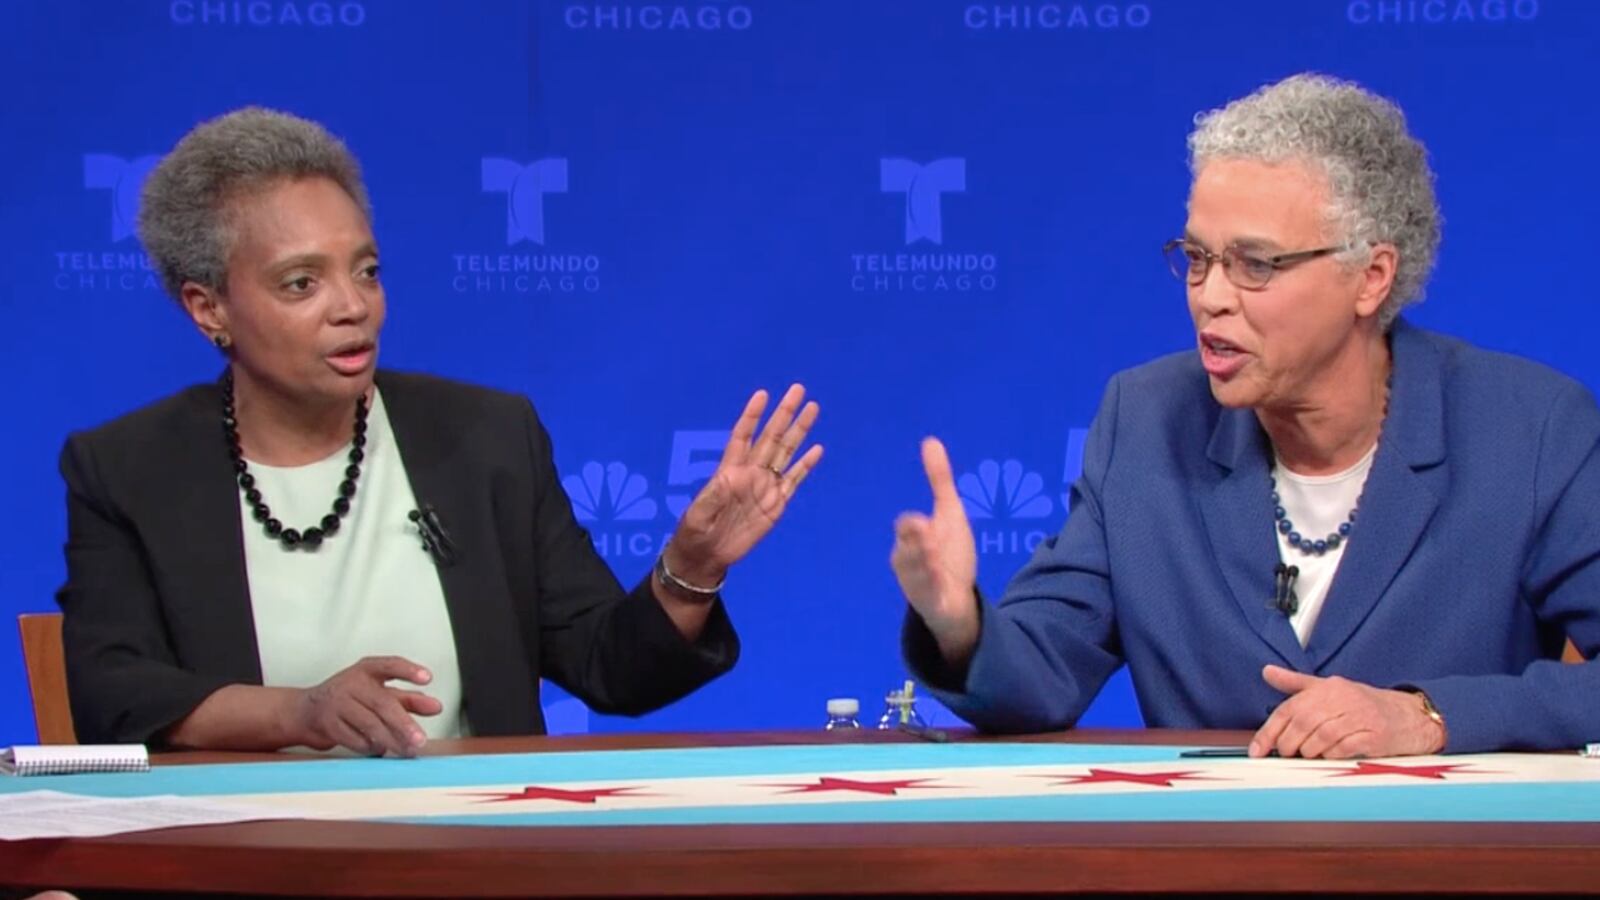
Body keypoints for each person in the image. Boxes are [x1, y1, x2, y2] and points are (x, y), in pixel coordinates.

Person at [58, 108, 823, 756]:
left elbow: (609, 668)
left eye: (366, 270)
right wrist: (299, 712)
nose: (352, 306)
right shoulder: (129, 468)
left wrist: (688, 570)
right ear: (208, 308)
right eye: (302, 283)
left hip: (471, 860)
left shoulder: (486, 438)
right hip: (245, 856)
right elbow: (113, 696)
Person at [891, 73, 1600, 758]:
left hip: (1443, 862)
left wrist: (1430, 714)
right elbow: (1042, 674)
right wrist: (960, 626)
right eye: (1197, 258)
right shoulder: (1145, 422)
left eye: (1254, 264)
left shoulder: (1531, 430)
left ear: (1371, 276)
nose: (1210, 297)